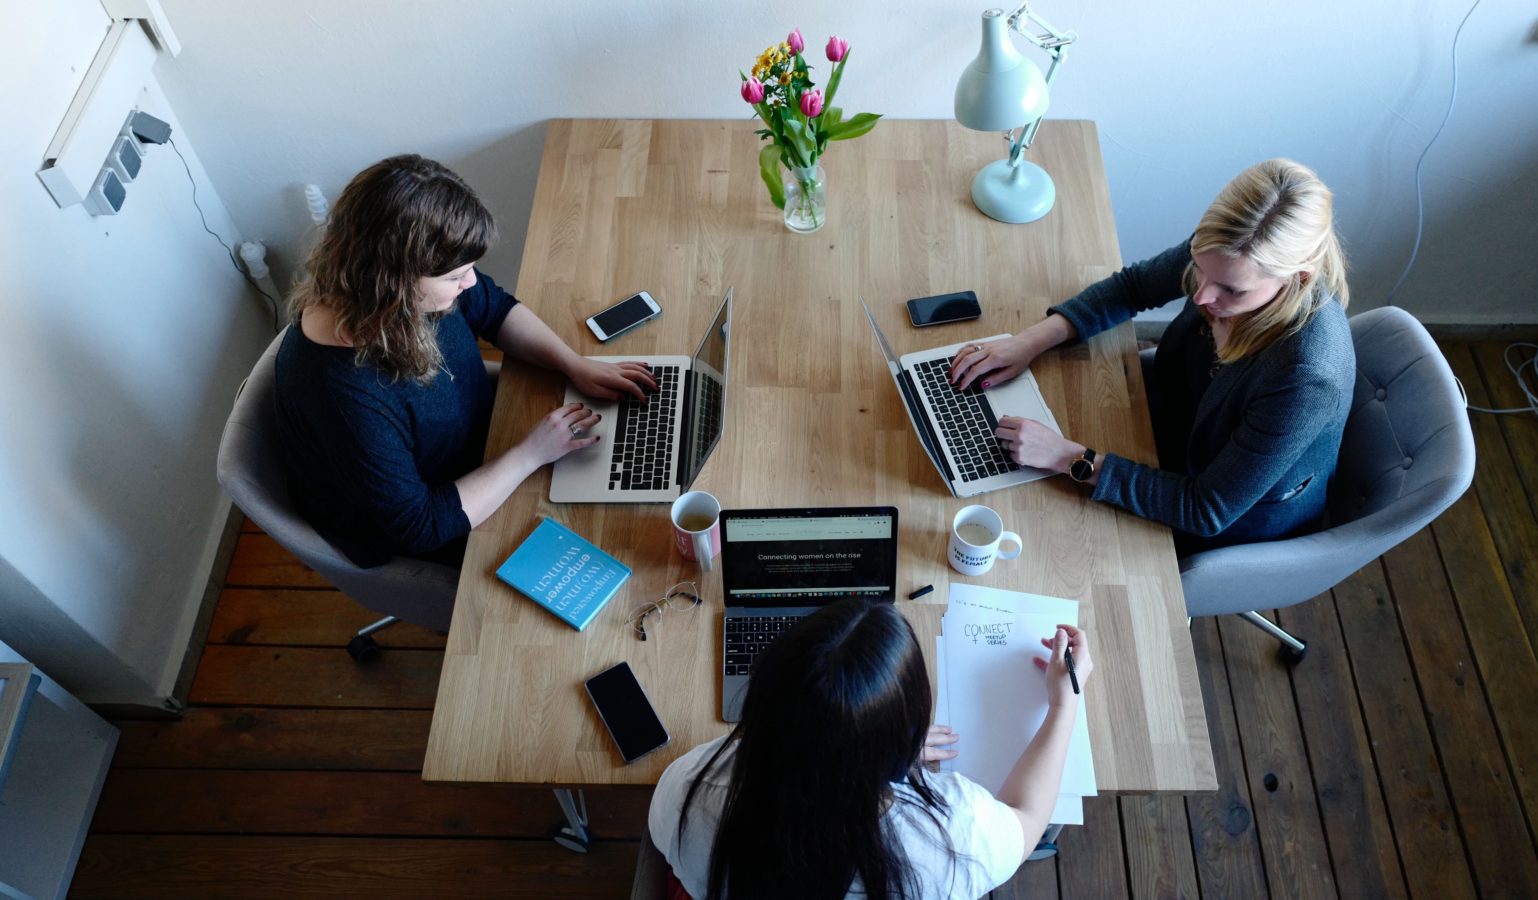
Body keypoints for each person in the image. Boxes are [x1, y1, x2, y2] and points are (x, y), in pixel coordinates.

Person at [950, 158, 1354, 553]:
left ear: (1297, 278)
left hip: (1223, 520)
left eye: (1231, 291)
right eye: (1199, 269)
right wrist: (1029, 342)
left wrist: (1066, 456)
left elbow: (1205, 509)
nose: (1201, 296)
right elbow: (1133, 288)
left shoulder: (1305, 377)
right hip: (1169, 426)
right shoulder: (1226, 250)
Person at [275, 154, 657, 571]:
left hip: (489, 441)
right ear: (393, 280)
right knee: (618, 540)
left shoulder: (396, 296)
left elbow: (493, 309)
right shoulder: (343, 396)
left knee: (627, 486)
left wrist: (572, 363)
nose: (470, 282)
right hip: (444, 514)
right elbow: (420, 526)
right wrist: (530, 455)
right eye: (456, 277)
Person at [647, 600, 1091, 900]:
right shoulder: (953, 839)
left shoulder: (689, 788)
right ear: (907, 739)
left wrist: (853, 744)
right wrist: (1062, 703)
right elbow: (1027, 819)